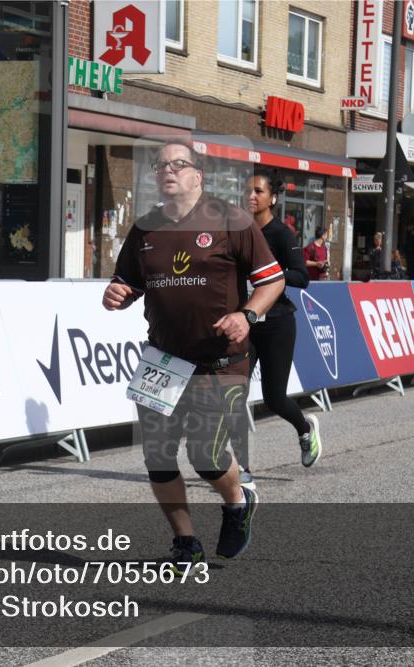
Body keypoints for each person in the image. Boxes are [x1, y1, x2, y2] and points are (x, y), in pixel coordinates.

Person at [102, 140, 284, 572]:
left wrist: (248, 315)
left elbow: (272, 281)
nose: (167, 170)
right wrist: (117, 293)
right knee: (158, 457)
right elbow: (126, 282)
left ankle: (238, 500)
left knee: (206, 456)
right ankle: (185, 541)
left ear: (197, 176)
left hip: (219, 360)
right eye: (161, 165)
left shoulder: (231, 220)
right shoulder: (145, 229)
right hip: (161, 362)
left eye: (178, 164)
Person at [236, 172, 321, 490]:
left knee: (274, 398)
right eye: (248, 191)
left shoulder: (281, 234)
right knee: (235, 394)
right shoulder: (240, 232)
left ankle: (305, 429)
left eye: (258, 191)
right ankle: (241, 468)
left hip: (277, 323)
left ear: (272, 197)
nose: (251, 196)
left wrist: (271, 274)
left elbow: (302, 277)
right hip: (246, 322)